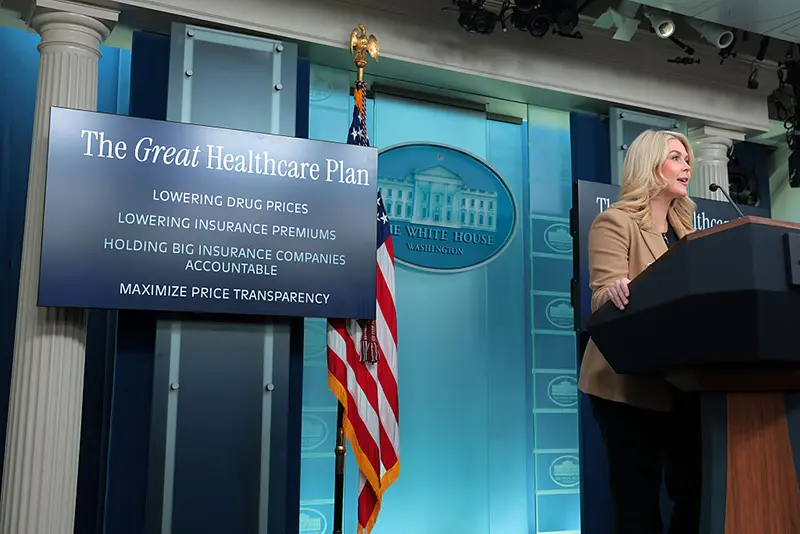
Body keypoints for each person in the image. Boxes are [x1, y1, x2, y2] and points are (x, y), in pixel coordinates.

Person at [578, 129, 702, 534]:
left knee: (695, 491)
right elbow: (601, 297)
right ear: (650, 164)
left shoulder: (690, 234)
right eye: (676, 158)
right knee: (638, 499)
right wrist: (615, 291)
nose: (686, 166)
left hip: (683, 381)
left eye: (687, 159)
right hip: (626, 383)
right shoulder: (615, 222)